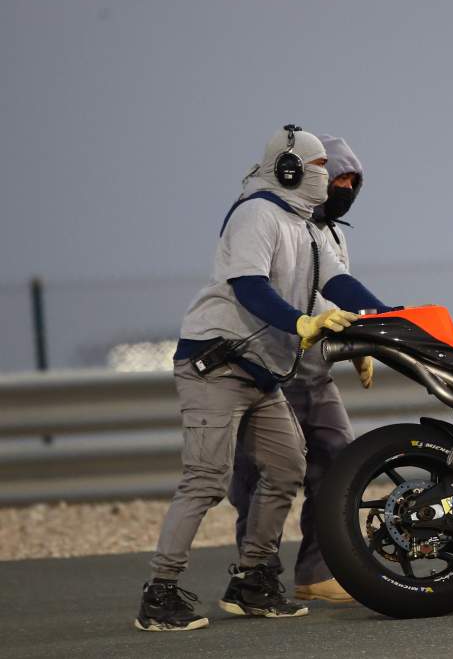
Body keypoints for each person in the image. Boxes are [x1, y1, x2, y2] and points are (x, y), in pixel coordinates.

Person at [135, 125, 381, 631]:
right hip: (217, 364)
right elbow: (248, 285)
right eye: (319, 169)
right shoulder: (256, 214)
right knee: (205, 480)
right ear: (289, 170)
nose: (328, 180)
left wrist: (391, 320)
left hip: (262, 370)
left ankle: (252, 581)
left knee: (288, 467)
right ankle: (158, 594)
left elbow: (338, 282)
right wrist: (299, 322)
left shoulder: (306, 227)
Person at [229, 133, 388, 604]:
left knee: (338, 464)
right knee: (259, 478)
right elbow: (254, 287)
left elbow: (338, 287)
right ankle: (256, 574)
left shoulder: (330, 233)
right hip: (263, 370)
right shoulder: (270, 219)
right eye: (338, 177)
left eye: (353, 180)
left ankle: (317, 572)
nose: (345, 187)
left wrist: (374, 329)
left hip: (314, 370)